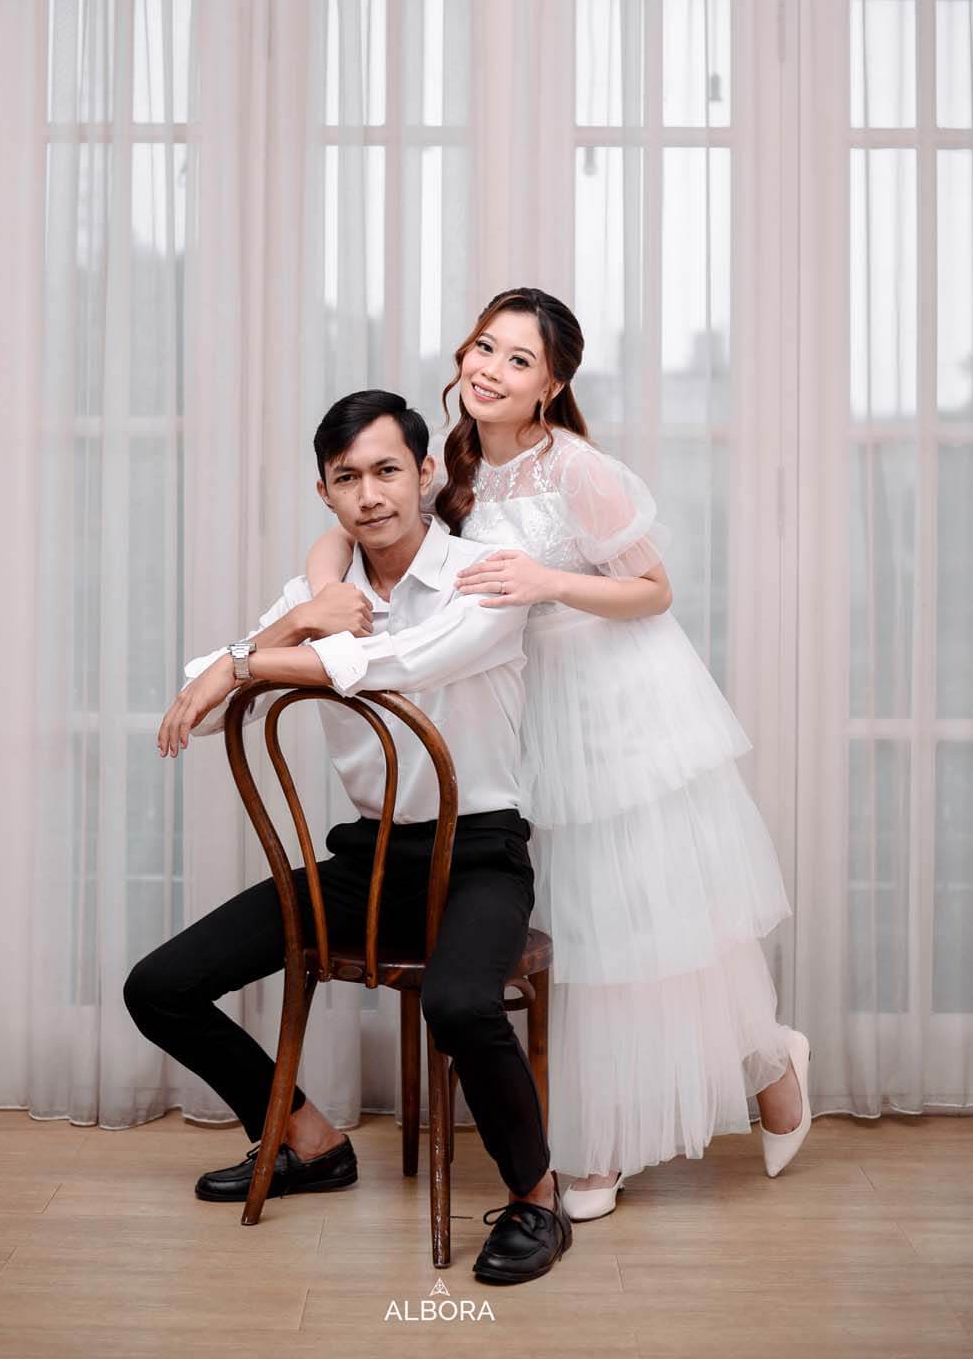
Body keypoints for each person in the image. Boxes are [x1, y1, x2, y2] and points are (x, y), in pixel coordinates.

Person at [307, 292, 812, 1222]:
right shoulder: (451, 460)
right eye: (483, 347)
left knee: (629, 924)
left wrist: (550, 582)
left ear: (551, 385)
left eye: (518, 360)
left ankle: (611, 1141)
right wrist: (319, 592)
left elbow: (653, 590)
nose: (489, 370)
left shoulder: (577, 468)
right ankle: (765, 1062)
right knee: (559, 924)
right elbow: (350, 524)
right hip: (514, 710)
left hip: (611, 709)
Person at [124, 388, 574, 1285]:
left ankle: (536, 1195)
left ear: (424, 473)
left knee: (459, 1003)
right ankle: (309, 1141)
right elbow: (203, 715)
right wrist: (297, 619)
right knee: (160, 987)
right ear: (324, 492)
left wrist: (245, 660)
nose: (369, 495)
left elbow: (397, 664)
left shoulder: (485, 575)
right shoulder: (317, 596)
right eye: (346, 478)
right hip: (368, 860)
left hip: (479, 855)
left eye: (386, 471)